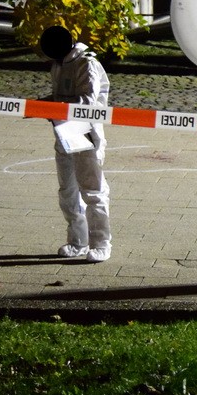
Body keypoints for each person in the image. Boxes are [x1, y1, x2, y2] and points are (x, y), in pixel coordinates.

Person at [40, 25, 112, 263]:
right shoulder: (58, 64)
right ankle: (77, 240)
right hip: (63, 131)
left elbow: (87, 102)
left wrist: (53, 107)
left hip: (83, 131)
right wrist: (40, 105)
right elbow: (60, 96)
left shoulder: (86, 63)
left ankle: (101, 243)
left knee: (92, 190)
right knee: (68, 190)